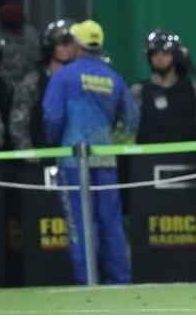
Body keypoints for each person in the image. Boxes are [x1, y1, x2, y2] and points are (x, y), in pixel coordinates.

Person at [42, 20, 139, 285]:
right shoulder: (114, 77)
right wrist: (114, 144)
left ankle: (88, 283)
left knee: (81, 225)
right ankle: (119, 281)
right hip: (106, 159)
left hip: (74, 161)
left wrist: (56, 144)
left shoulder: (63, 76)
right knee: (111, 224)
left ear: (76, 44)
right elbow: (131, 118)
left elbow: (53, 116)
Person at [132, 31, 196, 145]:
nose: (159, 57)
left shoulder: (192, 89)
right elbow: (129, 128)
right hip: (148, 159)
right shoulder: (139, 91)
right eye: (154, 53)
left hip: (189, 159)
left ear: (176, 55)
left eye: (165, 53)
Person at [9, 19, 76, 152]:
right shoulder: (34, 80)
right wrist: (25, 148)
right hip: (40, 152)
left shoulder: (79, 78)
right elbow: (19, 118)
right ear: (50, 46)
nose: (68, 49)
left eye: (71, 44)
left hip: (74, 152)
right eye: (62, 44)